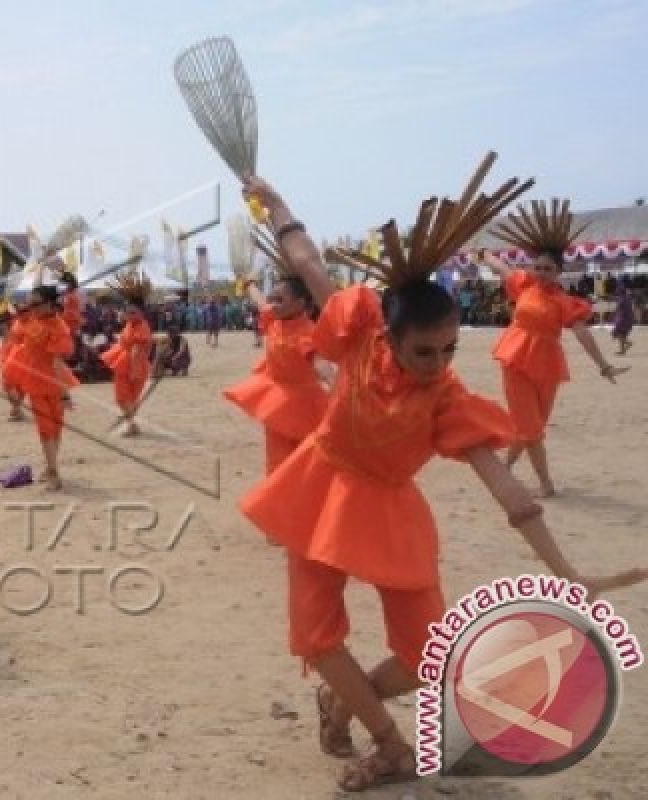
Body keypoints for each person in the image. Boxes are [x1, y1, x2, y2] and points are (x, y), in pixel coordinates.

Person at [240, 164, 646, 793]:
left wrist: (566, 571)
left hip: (389, 509)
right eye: (424, 351)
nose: (438, 364)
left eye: (451, 349)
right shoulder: (355, 334)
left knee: (427, 652)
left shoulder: (446, 398)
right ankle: (391, 746)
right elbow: (309, 258)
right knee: (317, 638)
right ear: (390, 336)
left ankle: (345, 702)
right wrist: (275, 202)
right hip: (320, 487)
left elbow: (507, 492)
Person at [481, 201, 628, 497]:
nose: (542, 273)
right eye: (538, 267)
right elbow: (502, 267)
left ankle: (505, 469)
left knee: (530, 427)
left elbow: (582, 334)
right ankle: (546, 484)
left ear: (559, 271)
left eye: (548, 269)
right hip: (515, 360)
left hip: (547, 366)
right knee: (531, 429)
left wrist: (603, 365)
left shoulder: (565, 302)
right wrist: (485, 255)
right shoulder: (523, 285)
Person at [224, 241, 329, 476]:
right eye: (274, 298)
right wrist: (249, 283)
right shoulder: (274, 318)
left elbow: (320, 363)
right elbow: (260, 302)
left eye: (280, 300)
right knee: (277, 464)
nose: (274, 304)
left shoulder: (307, 332)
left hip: (305, 405)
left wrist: (338, 386)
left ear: (301, 304)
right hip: (275, 399)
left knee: (306, 462)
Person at [12, 284, 76, 490]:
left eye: (35, 303)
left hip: (53, 382)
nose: (31, 307)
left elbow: (57, 364)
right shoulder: (34, 320)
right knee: (45, 430)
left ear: (49, 303)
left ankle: (52, 470)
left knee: (55, 429)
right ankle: (53, 470)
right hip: (34, 380)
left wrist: (65, 394)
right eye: (30, 303)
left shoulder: (59, 328)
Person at [101, 270, 154, 437]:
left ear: (141, 313)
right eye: (128, 312)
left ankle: (131, 424)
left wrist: (134, 369)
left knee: (126, 398)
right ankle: (131, 423)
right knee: (124, 397)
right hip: (124, 362)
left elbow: (138, 350)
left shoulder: (141, 326)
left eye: (133, 313)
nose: (130, 315)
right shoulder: (131, 324)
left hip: (132, 364)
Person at [611, 283, 635, 355]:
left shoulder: (621, 299)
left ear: (619, 292)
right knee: (623, 334)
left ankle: (628, 343)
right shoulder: (628, 298)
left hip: (623, 319)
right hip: (629, 319)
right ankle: (622, 351)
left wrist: (613, 316)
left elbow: (617, 309)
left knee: (616, 333)